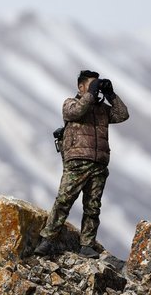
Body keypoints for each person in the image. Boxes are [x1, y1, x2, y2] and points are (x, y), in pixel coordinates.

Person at [34, 70, 129, 258]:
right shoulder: (70, 103)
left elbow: (122, 115)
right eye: (91, 85)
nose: (96, 89)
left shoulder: (102, 110)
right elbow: (77, 111)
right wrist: (90, 95)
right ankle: (47, 240)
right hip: (77, 161)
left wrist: (111, 95)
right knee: (64, 200)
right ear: (81, 87)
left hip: (99, 164)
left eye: (97, 85)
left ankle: (87, 244)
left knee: (93, 207)